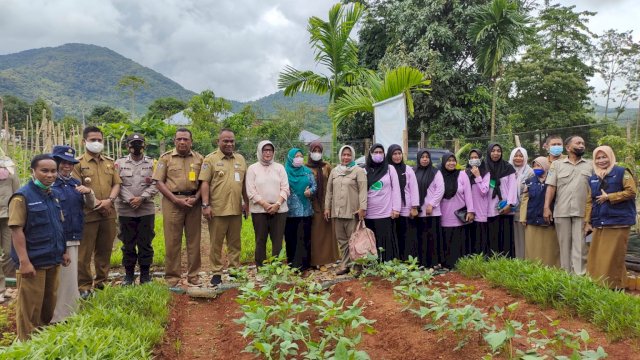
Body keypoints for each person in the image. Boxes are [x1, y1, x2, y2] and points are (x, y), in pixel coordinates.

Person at [9, 154, 70, 340]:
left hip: (52, 260)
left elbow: (59, 225)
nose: (50, 175)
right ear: (33, 172)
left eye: (53, 171)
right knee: (30, 310)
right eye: (44, 171)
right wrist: (24, 262)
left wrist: (64, 251)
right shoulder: (22, 197)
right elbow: (16, 231)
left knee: (48, 306)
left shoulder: (53, 195)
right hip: (33, 264)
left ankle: (42, 343)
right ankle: (27, 346)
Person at [73, 126, 121, 298]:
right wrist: (98, 204)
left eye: (99, 140)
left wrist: (110, 201)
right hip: (88, 214)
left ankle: (102, 282)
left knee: (105, 250)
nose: (97, 143)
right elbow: (77, 187)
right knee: (84, 253)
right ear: (84, 141)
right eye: (93, 140)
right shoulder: (77, 163)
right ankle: (84, 286)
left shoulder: (109, 162)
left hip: (108, 213)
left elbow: (116, 184)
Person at [153, 128, 204, 287]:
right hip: (172, 202)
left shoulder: (199, 159)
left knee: (194, 241)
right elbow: (158, 182)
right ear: (174, 141)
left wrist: (196, 198)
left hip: (193, 202)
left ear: (191, 141)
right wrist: (176, 200)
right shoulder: (165, 158)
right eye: (179, 139)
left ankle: (194, 276)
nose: (182, 142)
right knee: (173, 241)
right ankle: (172, 277)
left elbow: (204, 182)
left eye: (186, 139)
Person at [51, 145, 95, 322]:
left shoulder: (75, 184)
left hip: (74, 235)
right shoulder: (51, 184)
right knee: (58, 278)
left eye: (70, 163)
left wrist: (89, 192)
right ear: (56, 162)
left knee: (70, 277)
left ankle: (69, 312)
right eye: (63, 163)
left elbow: (90, 205)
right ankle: (57, 316)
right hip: (56, 238)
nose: (67, 167)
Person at [199, 128, 248, 286]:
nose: (229, 144)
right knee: (216, 243)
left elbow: (244, 184)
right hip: (217, 210)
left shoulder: (240, 159)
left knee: (235, 242)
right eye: (225, 141)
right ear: (218, 142)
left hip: (235, 209)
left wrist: (246, 203)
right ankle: (216, 273)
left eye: (231, 141)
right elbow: (204, 183)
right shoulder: (210, 160)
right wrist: (205, 204)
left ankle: (234, 271)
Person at [585, 146, 636, 289]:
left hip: (618, 221)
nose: (601, 161)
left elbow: (631, 191)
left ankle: (614, 287)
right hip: (600, 222)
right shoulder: (593, 178)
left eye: (604, 157)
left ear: (611, 157)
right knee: (598, 255)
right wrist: (587, 222)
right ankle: (605, 284)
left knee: (614, 256)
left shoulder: (621, 172)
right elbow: (590, 201)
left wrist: (610, 197)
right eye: (598, 158)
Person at [544, 136, 592, 274]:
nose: (581, 145)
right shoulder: (557, 165)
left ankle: (579, 277)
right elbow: (551, 187)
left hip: (582, 212)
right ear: (568, 147)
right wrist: (546, 207)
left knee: (581, 246)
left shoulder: (590, 165)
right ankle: (566, 277)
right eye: (578, 143)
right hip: (561, 211)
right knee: (564, 246)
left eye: (583, 143)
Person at [115, 134, 158, 286]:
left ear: (144, 145)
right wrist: (130, 199)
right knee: (128, 243)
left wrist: (142, 198)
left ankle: (145, 276)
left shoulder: (152, 163)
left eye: (139, 143)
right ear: (128, 146)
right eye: (133, 144)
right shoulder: (119, 164)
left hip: (145, 209)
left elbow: (156, 183)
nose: (137, 147)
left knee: (145, 243)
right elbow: (117, 184)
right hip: (126, 210)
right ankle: (128, 275)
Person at [324, 145, 367, 275]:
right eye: (344, 155)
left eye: (348, 155)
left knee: (354, 240)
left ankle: (357, 266)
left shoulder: (358, 171)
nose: (346, 157)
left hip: (353, 212)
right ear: (340, 156)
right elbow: (329, 191)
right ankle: (346, 264)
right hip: (337, 212)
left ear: (352, 156)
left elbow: (363, 190)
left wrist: (362, 208)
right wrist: (327, 207)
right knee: (342, 240)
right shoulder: (335, 171)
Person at [246, 141, 290, 267]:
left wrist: (277, 204)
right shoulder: (252, 169)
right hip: (259, 211)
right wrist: (265, 205)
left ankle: (277, 268)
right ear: (260, 151)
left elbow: (285, 188)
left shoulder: (280, 168)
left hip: (279, 210)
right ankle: (261, 268)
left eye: (270, 150)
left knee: (277, 242)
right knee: (260, 240)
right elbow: (251, 191)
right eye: (265, 150)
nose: (268, 152)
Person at [519, 157, 560, 267]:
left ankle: (552, 270)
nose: (536, 168)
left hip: (549, 220)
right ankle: (533, 270)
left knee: (550, 248)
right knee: (533, 248)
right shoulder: (529, 181)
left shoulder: (553, 180)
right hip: (532, 219)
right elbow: (525, 200)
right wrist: (523, 217)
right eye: (534, 166)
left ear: (546, 166)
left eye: (539, 165)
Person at [364, 144, 401, 262]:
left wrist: (396, 209)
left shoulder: (390, 169)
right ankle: (372, 264)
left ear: (384, 154)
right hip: (369, 213)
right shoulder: (364, 170)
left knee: (385, 239)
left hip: (386, 212)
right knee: (371, 240)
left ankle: (387, 263)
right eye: (376, 152)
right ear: (370, 154)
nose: (378, 154)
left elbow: (396, 189)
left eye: (381, 152)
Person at [306, 141, 338, 271]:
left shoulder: (327, 166)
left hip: (325, 203)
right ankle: (313, 261)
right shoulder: (306, 168)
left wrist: (329, 205)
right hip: (312, 204)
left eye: (319, 151)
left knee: (325, 232)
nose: (317, 154)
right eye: (315, 151)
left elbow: (332, 185)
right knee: (314, 233)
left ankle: (324, 260)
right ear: (310, 152)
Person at [439, 153, 475, 269]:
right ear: (444, 162)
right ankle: (446, 265)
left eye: (453, 160)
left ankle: (460, 265)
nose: (451, 163)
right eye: (448, 161)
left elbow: (468, 194)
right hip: (444, 215)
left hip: (459, 215)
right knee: (446, 240)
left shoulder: (462, 174)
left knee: (458, 241)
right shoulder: (439, 175)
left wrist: (470, 211)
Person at [284, 148, 316, 271]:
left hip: (305, 210)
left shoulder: (307, 172)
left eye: (301, 156)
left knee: (305, 237)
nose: (299, 158)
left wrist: (310, 191)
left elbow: (314, 185)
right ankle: (293, 264)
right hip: (290, 212)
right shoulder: (284, 172)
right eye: (296, 156)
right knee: (291, 238)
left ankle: (305, 264)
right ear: (290, 158)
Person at [386, 144, 420, 260]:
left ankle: (408, 259)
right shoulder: (386, 169)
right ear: (390, 155)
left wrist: (414, 207)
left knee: (406, 234)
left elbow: (414, 188)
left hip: (406, 207)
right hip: (390, 208)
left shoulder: (408, 169)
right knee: (394, 234)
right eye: (394, 154)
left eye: (399, 153)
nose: (397, 156)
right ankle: (396, 258)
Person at [485, 143, 517, 257]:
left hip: (505, 207)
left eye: (498, 151)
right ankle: (492, 259)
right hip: (488, 207)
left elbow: (513, 187)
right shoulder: (484, 167)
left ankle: (506, 260)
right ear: (489, 152)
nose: (496, 153)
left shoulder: (508, 167)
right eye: (493, 150)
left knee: (505, 235)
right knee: (491, 234)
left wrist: (509, 204)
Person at [414, 149, 444, 268]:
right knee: (421, 238)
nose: (425, 159)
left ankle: (433, 263)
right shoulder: (414, 171)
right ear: (418, 158)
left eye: (427, 157)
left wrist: (431, 204)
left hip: (432, 212)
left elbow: (440, 189)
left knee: (432, 238)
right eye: (422, 157)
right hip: (419, 210)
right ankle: (422, 263)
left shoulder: (435, 172)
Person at [0, 155, 19, 303]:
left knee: (8, 252)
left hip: (7, 215)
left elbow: (16, 191)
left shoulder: (9, 167)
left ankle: (7, 281)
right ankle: (1, 288)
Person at [509, 147, 534, 259]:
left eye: (521, 156)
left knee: (523, 237)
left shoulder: (530, 172)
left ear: (525, 158)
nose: (518, 158)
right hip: (507, 210)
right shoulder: (507, 170)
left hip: (524, 211)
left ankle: (524, 260)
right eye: (516, 155)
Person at [465, 149, 490, 256]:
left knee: (480, 238)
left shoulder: (486, 173)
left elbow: (484, 191)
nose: (474, 159)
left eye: (476, 157)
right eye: (472, 158)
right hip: (468, 211)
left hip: (480, 212)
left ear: (480, 158)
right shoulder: (465, 173)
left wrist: (478, 176)